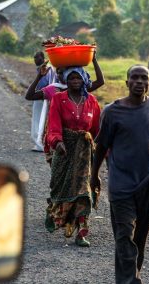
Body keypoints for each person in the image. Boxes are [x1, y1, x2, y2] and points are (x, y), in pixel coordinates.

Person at [90, 65, 149, 283]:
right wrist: (93, 175)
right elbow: (101, 146)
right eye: (135, 77)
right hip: (120, 184)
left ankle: (131, 276)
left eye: (144, 78)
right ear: (127, 82)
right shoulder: (112, 112)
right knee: (124, 236)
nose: (139, 82)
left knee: (139, 238)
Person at [44, 66, 101, 247]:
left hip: (84, 151)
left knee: (84, 191)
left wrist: (100, 152)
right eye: (71, 79)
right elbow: (53, 125)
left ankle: (81, 232)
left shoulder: (91, 101)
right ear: (66, 81)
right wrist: (57, 142)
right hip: (64, 149)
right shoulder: (58, 99)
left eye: (78, 78)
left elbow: (96, 130)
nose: (75, 82)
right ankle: (57, 214)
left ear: (84, 80)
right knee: (59, 187)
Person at [25, 51, 105, 163]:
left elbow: (100, 81)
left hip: (80, 141)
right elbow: (30, 96)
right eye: (58, 72)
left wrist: (94, 60)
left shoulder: (82, 90)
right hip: (56, 134)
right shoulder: (53, 89)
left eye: (63, 72)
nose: (60, 75)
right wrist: (39, 76)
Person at [28, 51, 56, 152]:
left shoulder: (45, 68)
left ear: (43, 58)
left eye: (37, 58)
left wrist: (40, 94)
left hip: (42, 97)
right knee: (43, 120)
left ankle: (40, 144)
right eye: (34, 58)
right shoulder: (48, 67)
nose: (35, 60)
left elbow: (44, 84)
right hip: (45, 96)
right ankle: (43, 143)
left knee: (38, 120)